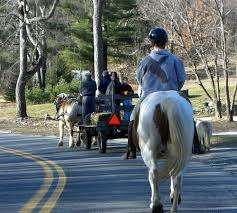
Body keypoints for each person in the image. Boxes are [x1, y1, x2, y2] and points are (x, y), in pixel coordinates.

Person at [122, 27, 201, 159]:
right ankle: (196, 144)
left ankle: (131, 149)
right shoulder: (175, 59)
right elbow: (181, 79)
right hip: (173, 92)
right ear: (166, 42)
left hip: (149, 95)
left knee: (133, 116)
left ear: (152, 42)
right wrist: (173, 88)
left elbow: (139, 79)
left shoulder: (144, 61)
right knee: (188, 111)